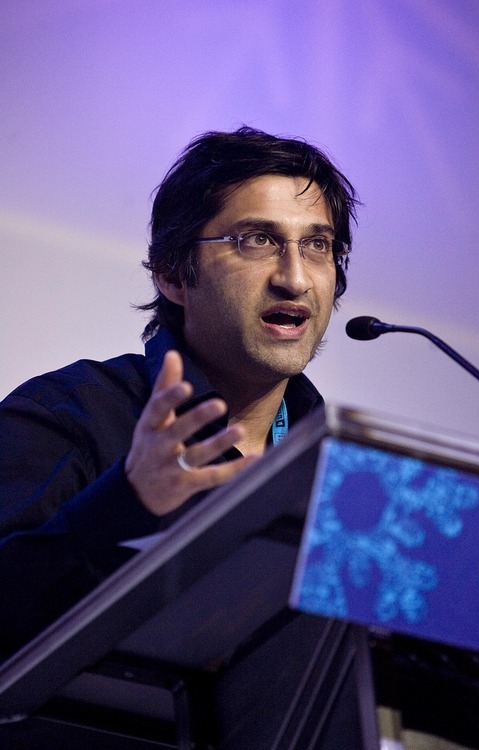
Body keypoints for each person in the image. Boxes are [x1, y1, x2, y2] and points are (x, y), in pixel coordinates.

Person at [0, 126, 358, 656]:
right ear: (172, 272)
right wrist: (128, 501)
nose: (296, 278)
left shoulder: (342, 475)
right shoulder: (67, 415)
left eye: (317, 245)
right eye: (256, 240)